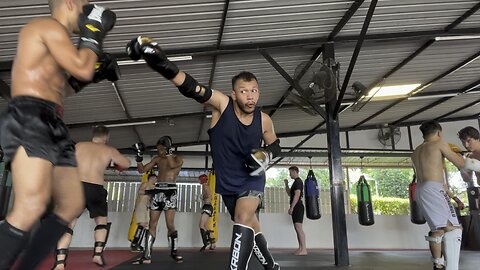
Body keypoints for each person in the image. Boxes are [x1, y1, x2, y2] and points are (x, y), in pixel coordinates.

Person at [126, 36, 282, 270]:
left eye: (254, 91)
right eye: (244, 91)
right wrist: (160, 62)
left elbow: (276, 147)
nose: (250, 96)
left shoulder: (264, 120)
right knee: (250, 223)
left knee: (242, 218)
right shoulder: (222, 105)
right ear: (233, 94)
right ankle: (272, 266)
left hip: (252, 179)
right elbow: (193, 88)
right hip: (228, 181)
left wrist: (266, 156)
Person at [0, 1, 116, 269]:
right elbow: (83, 66)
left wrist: (92, 78)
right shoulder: (46, 27)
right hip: (30, 115)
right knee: (30, 206)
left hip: (52, 120)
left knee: (71, 204)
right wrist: (93, 33)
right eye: (86, 7)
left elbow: (62, 88)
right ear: (70, 3)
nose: (87, 14)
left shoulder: (58, 41)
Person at [52, 125, 130, 269]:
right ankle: (98, 255)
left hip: (75, 187)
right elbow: (126, 163)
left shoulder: (80, 145)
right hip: (95, 188)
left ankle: (60, 263)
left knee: (68, 224)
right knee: (101, 222)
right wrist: (116, 163)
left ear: (93, 135)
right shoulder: (109, 150)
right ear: (106, 136)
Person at [411, 120, 480, 270]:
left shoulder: (416, 151)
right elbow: (461, 164)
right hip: (434, 188)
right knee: (453, 229)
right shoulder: (440, 143)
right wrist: (463, 159)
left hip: (421, 189)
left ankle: (438, 263)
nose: (466, 144)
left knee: (439, 229)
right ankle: (449, 267)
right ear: (439, 133)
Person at [132, 136, 184, 264]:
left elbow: (172, 165)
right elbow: (142, 170)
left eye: (162, 149)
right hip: (158, 191)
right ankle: (147, 255)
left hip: (170, 192)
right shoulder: (157, 159)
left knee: (170, 225)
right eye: (158, 149)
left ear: (167, 148)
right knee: (152, 223)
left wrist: (169, 152)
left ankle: (174, 252)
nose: (159, 152)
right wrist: (139, 157)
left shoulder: (178, 159)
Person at [130, 171, 157, 252]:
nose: (155, 180)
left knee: (145, 225)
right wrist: (150, 192)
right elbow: (140, 192)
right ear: (151, 178)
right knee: (142, 224)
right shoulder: (145, 184)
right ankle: (134, 244)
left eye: (156, 179)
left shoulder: (153, 187)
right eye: (154, 178)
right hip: (141, 205)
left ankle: (138, 244)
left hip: (146, 207)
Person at [284, 166, 307, 256]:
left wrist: (292, 207)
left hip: (298, 206)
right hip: (296, 206)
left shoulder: (298, 182)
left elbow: (297, 195)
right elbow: (290, 194)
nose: (289, 174)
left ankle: (304, 249)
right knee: (297, 228)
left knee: (299, 228)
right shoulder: (295, 182)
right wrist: (286, 184)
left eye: (290, 172)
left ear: (294, 171)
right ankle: (300, 248)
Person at [458, 126, 480, 209]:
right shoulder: (470, 157)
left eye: (468, 141)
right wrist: (461, 167)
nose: (466, 145)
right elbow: (467, 179)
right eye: (463, 142)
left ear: (477, 138)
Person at [198, 174, 215, 251]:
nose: (199, 181)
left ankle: (206, 243)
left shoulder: (205, 186)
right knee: (206, 226)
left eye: (199, 179)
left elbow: (209, 197)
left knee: (201, 225)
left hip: (207, 206)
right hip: (207, 206)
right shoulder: (205, 186)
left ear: (202, 180)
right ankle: (212, 243)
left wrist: (201, 197)